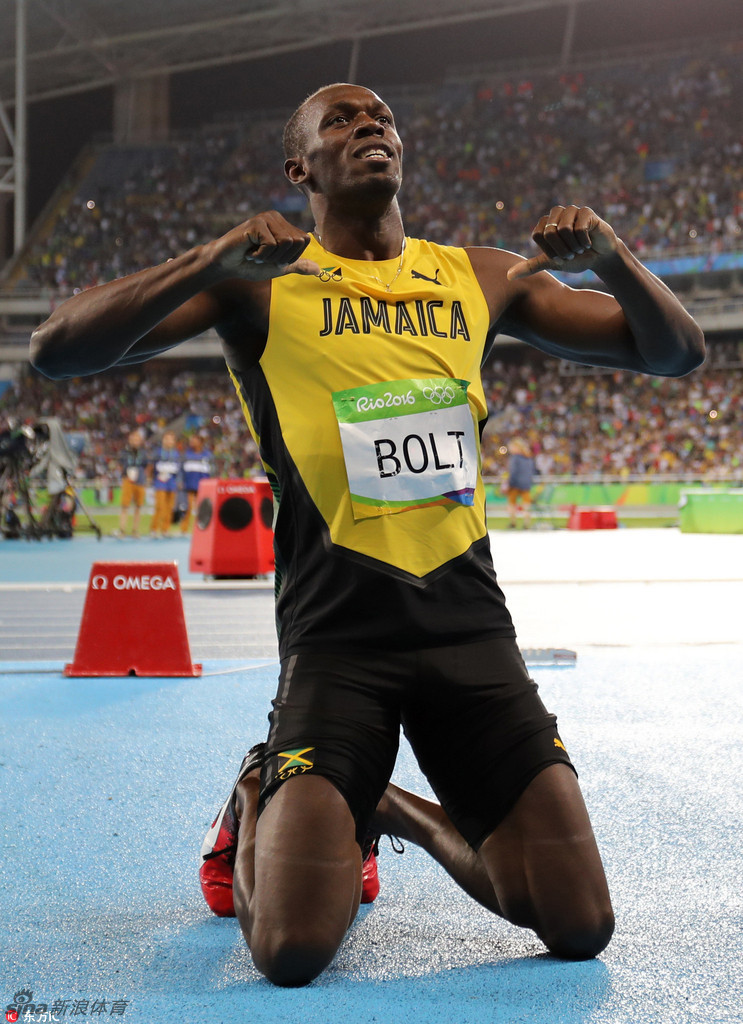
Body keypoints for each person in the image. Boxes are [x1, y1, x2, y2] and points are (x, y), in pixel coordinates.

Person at [29, 83, 704, 987]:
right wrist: (207, 259)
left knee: (579, 924)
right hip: (338, 642)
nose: (369, 126)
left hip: (469, 634)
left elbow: (674, 351)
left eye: (381, 117)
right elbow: (55, 349)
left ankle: (387, 808)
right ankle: (260, 787)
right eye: (341, 120)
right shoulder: (256, 284)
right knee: (290, 950)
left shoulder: (481, 276)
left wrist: (613, 261)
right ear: (298, 168)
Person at [114, 427, 149, 537]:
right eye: (133, 439)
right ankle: (122, 530)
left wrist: (144, 477)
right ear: (130, 440)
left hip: (140, 481)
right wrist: (125, 474)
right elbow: (120, 465)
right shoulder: (124, 452)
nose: (135, 441)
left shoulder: (143, 453)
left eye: (137, 439)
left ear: (140, 441)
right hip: (127, 480)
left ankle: (135, 530)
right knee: (125, 506)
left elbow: (146, 466)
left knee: (138, 507)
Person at [179, 434, 214, 534]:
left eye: (194, 440)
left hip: (203, 486)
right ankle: (184, 529)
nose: (192, 442)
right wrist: (180, 481)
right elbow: (181, 469)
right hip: (189, 485)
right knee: (187, 507)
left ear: (200, 442)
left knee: (202, 508)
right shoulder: (186, 454)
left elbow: (212, 470)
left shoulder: (208, 455)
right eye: (191, 440)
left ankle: (201, 529)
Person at [149, 429, 181, 537]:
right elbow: (152, 467)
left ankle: (165, 529)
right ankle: (154, 529)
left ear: (174, 441)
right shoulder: (157, 453)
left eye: (171, 439)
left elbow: (178, 469)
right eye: (167, 439)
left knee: (169, 507)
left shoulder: (176, 454)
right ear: (163, 440)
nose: (169, 441)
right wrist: (151, 479)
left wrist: (178, 481)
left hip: (172, 483)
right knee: (159, 506)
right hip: (160, 482)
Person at [506, 437, 536, 528]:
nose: (510, 449)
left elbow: (513, 472)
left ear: (516, 447)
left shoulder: (515, 458)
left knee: (511, 504)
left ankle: (513, 523)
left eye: (511, 447)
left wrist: (509, 484)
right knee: (526, 505)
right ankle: (526, 523)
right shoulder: (529, 457)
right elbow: (532, 472)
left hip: (515, 484)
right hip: (526, 484)